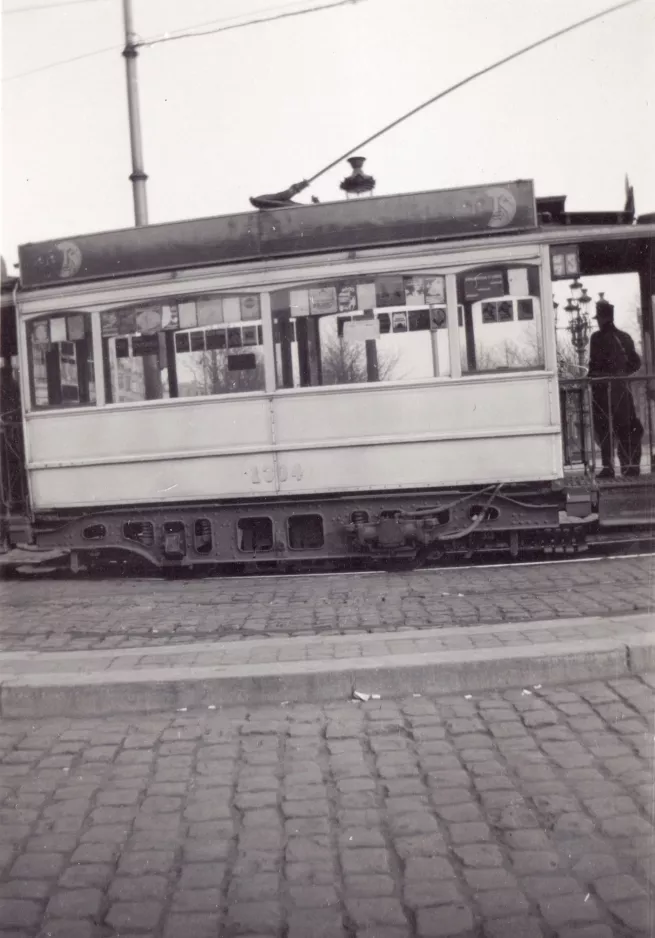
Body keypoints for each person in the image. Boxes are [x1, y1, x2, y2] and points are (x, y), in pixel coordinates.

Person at [588, 297, 643, 478]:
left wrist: (592, 378)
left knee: (604, 429)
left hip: (602, 390)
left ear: (601, 318)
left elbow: (594, 365)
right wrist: (623, 374)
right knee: (625, 427)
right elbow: (636, 362)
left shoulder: (596, 338)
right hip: (621, 389)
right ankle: (629, 465)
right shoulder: (625, 337)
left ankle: (608, 467)